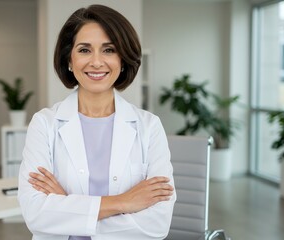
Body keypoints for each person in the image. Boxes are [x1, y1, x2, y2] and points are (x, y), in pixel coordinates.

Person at [18, 4, 176, 240]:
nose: (96, 62)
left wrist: (66, 206)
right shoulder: (44, 124)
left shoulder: (149, 127)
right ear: (69, 60)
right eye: (84, 50)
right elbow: (36, 215)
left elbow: (157, 223)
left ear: (122, 60)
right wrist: (124, 202)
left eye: (109, 50)